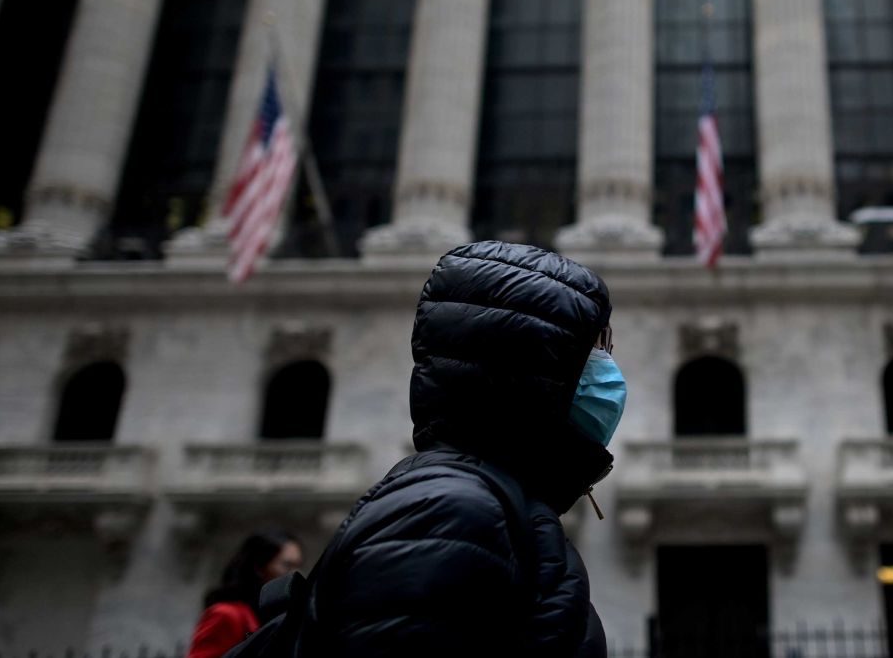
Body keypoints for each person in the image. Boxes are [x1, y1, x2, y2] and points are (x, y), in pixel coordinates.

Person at [314, 241, 624, 656]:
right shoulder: (453, 511)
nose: (609, 368)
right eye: (596, 350)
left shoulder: (494, 504)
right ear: (533, 369)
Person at [187, 529, 303, 658]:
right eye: (287, 565)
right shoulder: (226, 614)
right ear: (259, 568)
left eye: (298, 565)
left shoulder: (275, 615)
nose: (295, 573)